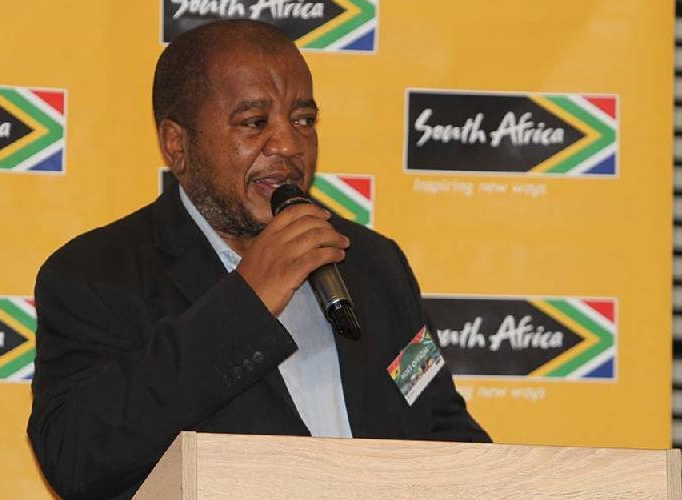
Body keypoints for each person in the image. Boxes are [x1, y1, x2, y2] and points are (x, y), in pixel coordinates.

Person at [27, 19, 489, 500]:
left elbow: (441, 428)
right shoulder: (97, 274)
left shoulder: (371, 262)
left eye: (303, 120)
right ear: (177, 145)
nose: (289, 145)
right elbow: (76, 459)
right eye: (254, 122)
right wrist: (247, 301)